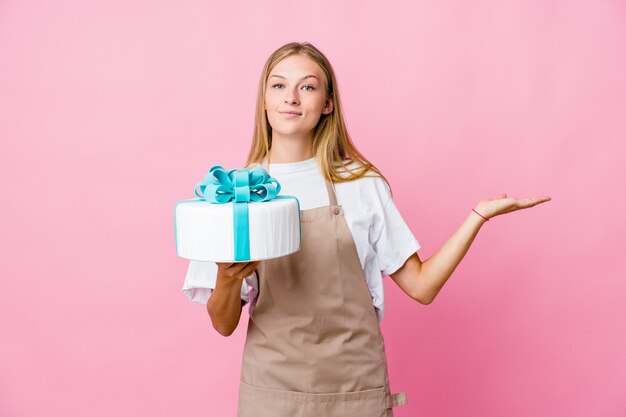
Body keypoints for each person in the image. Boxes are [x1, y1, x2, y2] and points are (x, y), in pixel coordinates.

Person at [181, 41, 551, 417]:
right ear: (264, 99)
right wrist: (227, 279)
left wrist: (478, 216)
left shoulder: (361, 184)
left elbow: (422, 287)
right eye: (278, 86)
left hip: (355, 391)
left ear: (327, 103)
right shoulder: (234, 194)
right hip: (273, 394)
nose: (291, 97)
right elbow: (224, 324)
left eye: (307, 86)